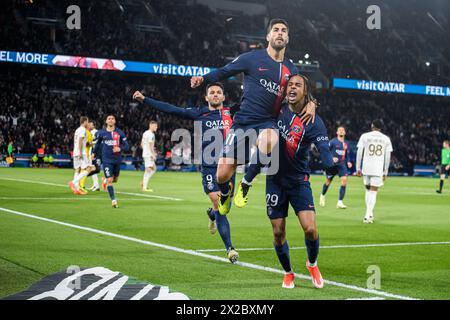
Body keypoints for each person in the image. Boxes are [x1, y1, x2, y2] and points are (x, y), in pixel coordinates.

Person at [190, 18, 317, 215]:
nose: (280, 33)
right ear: (268, 36)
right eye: (276, 30)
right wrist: (203, 79)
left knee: (269, 140)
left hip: (268, 121)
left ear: (288, 38)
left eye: (284, 30)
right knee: (222, 175)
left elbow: (301, 92)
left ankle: (246, 184)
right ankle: (225, 194)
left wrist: (311, 103)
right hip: (242, 121)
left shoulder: (291, 69)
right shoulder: (251, 58)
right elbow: (224, 71)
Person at [133, 83, 239, 263]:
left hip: (229, 165)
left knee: (224, 207)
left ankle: (212, 214)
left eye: (218, 92)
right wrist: (145, 100)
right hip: (209, 165)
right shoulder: (200, 112)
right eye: (211, 92)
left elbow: (257, 101)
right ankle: (230, 249)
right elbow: (171, 109)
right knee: (218, 201)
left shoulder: (232, 112)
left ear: (223, 97)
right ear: (206, 98)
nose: (215, 95)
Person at [265, 75, 338, 289]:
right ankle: (288, 273)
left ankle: (312, 264)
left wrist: (329, 164)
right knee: (278, 232)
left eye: (298, 85)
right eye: (290, 84)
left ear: (305, 92)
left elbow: (324, 148)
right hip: (274, 178)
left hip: (299, 180)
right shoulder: (278, 107)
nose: (292, 87)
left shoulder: (313, 120)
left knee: (310, 229)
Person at [355, 120, 393, 223]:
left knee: (368, 190)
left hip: (366, 167)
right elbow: (388, 156)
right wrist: (385, 171)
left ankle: (369, 214)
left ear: (372, 126)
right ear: (381, 127)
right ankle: (368, 215)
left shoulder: (365, 136)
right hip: (378, 168)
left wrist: (358, 168)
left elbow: (359, 152)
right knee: (373, 192)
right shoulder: (386, 139)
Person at [92, 115, 129, 208]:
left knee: (115, 179)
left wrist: (119, 148)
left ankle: (104, 180)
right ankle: (113, 200)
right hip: (106, 160)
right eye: (109, 119)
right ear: (106, 121)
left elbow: (127, 146)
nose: (111, 120)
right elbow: (97, 144)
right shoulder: (102, 133)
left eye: (112, 118)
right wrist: (93, 153)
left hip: (117, 160)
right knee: (110, 180)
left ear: (115, 121)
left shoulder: (120, 133)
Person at [320, 126, 353, 209]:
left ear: (345, 133)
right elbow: (326, 151)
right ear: (337, 132)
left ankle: (340, 202)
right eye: (340, 130)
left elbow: (347, 154)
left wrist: (348, 162)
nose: (341, 132)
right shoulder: (333, 142)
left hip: (341, 165)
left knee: (344, 181)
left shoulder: (346, 144)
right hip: (332, 165)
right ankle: (322, 195)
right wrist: (331, 158)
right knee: (328, 181)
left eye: (343, 130)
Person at [69, 116, 90, 195]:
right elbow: (80, 140)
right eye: (87, 122)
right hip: (81, 152)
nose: (87, 123)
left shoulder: (77, 129)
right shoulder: (82, 130)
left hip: (75, 152)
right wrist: (81, 152)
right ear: (84, 122)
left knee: (77, 169)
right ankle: (73, 182)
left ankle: (76, 189)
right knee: (88, 168)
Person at [141, 121, 158, 192]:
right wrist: (153, 154)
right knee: (149, 170)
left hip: (146, 153)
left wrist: (145, 150)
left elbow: (142, 144)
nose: (156, 127)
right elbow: (151, 145)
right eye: (155, 126)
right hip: (148, 154)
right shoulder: (151, 134)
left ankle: (144, 183)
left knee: (154, 169)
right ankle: (144, 187)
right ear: (150, 125)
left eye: (156, 126)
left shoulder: (145, 133)